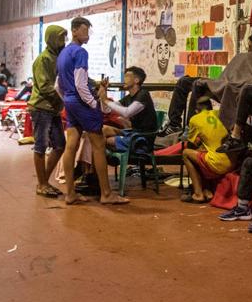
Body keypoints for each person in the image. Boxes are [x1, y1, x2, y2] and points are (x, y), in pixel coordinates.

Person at [55, 17, 128, 205]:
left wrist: (68, 100)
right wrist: (92, 103)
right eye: (84, 29)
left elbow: (58, 85)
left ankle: (70, 193)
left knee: (71, 145)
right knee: (98, 145)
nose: (87, 34)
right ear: (74, 31)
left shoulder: (63, 53)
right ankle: (106, 194)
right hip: (82, 103)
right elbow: (80, 84)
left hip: (70, 102)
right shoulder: (80, 52)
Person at [29, 25, 67, 198]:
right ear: (51, 39)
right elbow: (45, 87)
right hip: (42, 107)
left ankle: (43, 181)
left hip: (54, 108)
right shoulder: (43, 59)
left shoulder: (60, 58)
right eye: (60, 38)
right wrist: (67, 97)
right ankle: (42, 183)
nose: (63, 42)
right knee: (41, 146)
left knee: (60, 145)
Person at [99, 66, 158, 152]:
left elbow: (127, 113)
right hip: (132, 133)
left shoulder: (143, 94)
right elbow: (106, 110)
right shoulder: (128, 97)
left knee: (104, 141)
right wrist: (104, 91)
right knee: (102, 129)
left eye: (127, 77)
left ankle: (103, 163)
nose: (124, 80)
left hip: (142, 138)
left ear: (136, 80)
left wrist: (106, 100)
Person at [181, 106, 232, 203]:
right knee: (203, 152)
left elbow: (191, 143)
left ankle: (198, 194)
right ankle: (207, 191)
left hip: (218, 163)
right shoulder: (218, 113)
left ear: (197, 110)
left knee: (186, 153)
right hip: (231, 161)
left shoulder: (195, 119)